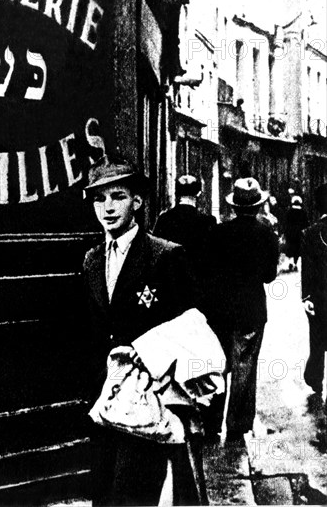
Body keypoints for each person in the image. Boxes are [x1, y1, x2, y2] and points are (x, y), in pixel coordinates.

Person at [82, 155, 201, 506]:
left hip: (149, 403)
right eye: (99, 199)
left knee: (136, 496)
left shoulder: (165, 257)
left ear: (137, 201)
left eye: (117, 196)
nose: (108, 207)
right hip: (105, 404)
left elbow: (191, 331)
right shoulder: (91, 260)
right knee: (103, 495)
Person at [205, 178, 279, 442]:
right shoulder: (267, 235)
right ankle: (236, 425)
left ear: (234, 206)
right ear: (258, 206)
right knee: (244, 367)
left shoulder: (219, 232)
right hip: (251, 310)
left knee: (217, 365)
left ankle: (211, 422)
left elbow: (210, 270)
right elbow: (270, 276)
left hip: (221, 309)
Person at [153, 175, 216, 300]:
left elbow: (154, 252)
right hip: (197, 288)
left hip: (169, 287)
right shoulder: (207, 221)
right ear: (198, 193)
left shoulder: (164, 219)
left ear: (176, 193)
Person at [302, 183, 327, 398]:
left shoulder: (310, 233)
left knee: (317, 338)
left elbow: (307, 269)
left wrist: (306, 296)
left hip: (319, 297)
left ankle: (315, 378)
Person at [285, 195, 309, 271]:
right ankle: (295, 263)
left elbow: (286, 223)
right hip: (299, 234)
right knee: (297, 249)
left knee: (290, 248)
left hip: (290, 233)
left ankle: (290, 262)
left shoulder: (289, 212)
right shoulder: (303, 212)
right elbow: (306, 224)